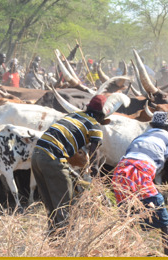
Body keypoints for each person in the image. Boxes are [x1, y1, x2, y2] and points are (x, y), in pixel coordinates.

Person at [32, 94, 107, 235]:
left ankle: (53, 239)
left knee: (51, 205)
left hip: (36, 155)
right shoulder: (94, 125)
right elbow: (94, 153)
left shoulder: (73, 115)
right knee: (66, 205)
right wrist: (95, 176)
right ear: (101, 115)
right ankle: (65, 242)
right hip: (52, 158)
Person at [111, 111, 168, 255]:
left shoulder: (139, 137)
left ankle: (123, 252)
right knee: (167, 223)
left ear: (152, 125)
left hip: (120, 174)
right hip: (140, 174)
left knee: (127, 220)